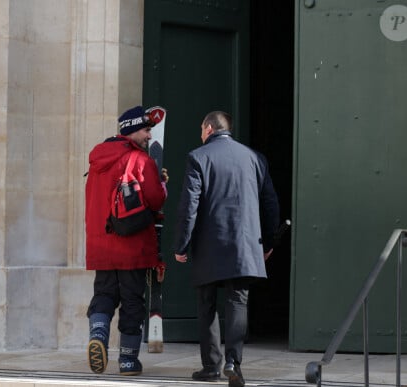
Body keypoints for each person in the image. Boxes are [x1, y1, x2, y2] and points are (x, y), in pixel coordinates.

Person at [174, 111, 280, 387]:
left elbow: (189, 207)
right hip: (245, 245)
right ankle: (234, 362)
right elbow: (270, 205)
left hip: (209, 245)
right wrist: (266, 244)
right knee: (238, 302)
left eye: (201, 128)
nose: (200, 133)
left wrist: (181, 244)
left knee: (207, 305)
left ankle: (211, 366)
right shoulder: (255, 158)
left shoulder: (198, 157)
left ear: (209, 128)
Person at [85, 105, 168, 376]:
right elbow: (155, 200)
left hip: (101, 243)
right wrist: (162, 183)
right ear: (133, 130)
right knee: (132, 301)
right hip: (131, 244)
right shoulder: (140, 160)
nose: (149, 136)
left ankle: (98, 335)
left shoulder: (96, 162)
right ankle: (128, 361)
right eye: (146, 130)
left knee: (104, 294)